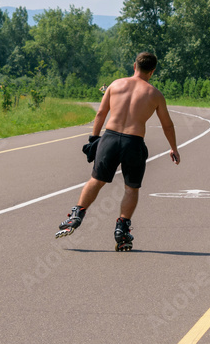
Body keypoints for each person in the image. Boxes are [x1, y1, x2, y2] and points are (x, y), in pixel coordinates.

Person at [56, 52, 180, 251]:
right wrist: (173, 147)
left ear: (134, 66)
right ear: (152, 71)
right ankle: (122, 229)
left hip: (110, 138)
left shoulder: (115, 85)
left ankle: (77, 214)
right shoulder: (155, 94)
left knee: (96, 180)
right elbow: (167, 125)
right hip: (134, 142)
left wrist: (94, 139)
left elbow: (100, 113)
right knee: (131, 188)